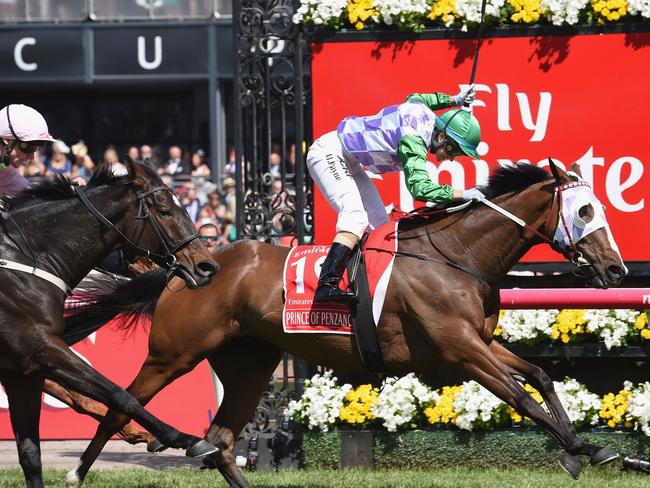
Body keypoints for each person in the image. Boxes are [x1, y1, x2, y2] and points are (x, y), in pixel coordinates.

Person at [306, 85, 485, 302]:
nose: (452, 158)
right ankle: (326, 285)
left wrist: (455, 99)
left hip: (350, 160)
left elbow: (417, 97)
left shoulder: (423, 114)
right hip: (329, 153)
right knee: (355, 217)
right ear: (440, 137)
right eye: (453, 150)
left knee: (380, 227)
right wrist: (462, 194)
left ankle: (366, 282)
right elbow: (420, 188)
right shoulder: (413, 141)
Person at [0, 104, 56, 198]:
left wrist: (65, 191)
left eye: (36, 149)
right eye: (28, 148)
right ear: (7, 140)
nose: (32, 157)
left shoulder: (4, 170)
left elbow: (32, 195)